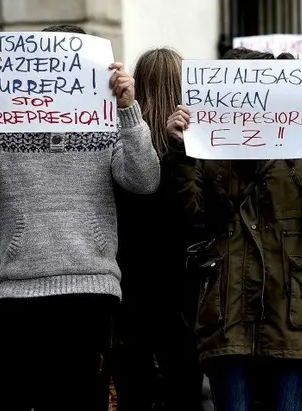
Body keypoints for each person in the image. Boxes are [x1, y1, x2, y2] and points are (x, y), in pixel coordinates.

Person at [0, 24, 160, 411]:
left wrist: (128, 111)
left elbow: (144, 180)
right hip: (22, 287)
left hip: (90, 284)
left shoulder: (106, 122)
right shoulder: (5, 122)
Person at [166, 47, 302, 411]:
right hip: (229, 305)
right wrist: (182, 150)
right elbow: (190, 215)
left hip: (292, 306)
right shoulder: (206, 144)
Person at [112, 47, 206, 411]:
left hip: (128, 275)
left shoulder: (124, 136)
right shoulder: (196, 140)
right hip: (181, 280)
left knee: (134, 381)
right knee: (184, 380)